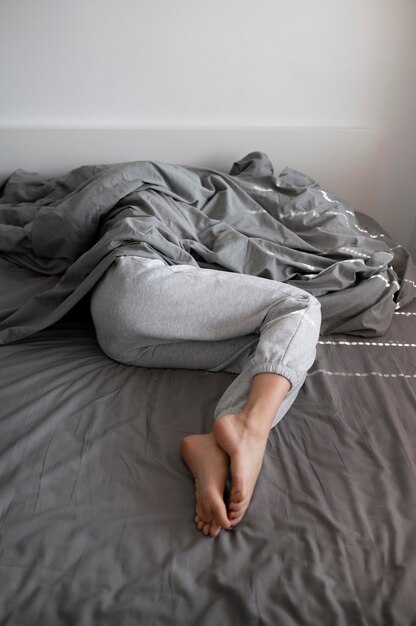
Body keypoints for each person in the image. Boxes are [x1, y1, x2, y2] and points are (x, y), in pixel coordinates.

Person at [90, 255, 321, 537]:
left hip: (128, 342)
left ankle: (214, 448)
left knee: (283, 348)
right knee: (300, 307)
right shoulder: (147, 215)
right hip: (136, 284)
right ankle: (250, 426)